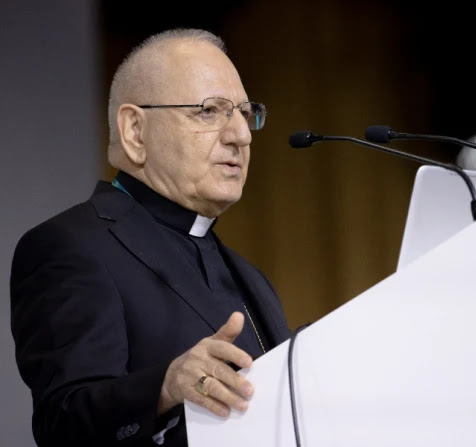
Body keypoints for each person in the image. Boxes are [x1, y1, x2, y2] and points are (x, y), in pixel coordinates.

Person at [10, 28, 290, 446]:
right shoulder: (71, 247)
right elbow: (62, 424)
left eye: (245, 113)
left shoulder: (253, 279)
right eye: (210, 111)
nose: (241, 135)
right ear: (135, 131)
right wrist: (164, 388)